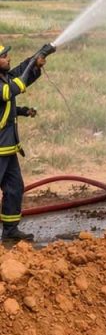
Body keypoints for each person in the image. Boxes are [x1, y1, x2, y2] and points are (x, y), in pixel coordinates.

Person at [0, 43, 46, 243]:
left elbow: (20, 72)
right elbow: (12, 90)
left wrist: (35, 62)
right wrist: (31, 66)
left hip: (7, 148)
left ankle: (10, 230)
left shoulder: (4, 76)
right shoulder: (3, 84)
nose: (8, 58)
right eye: (4, 56)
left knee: (15, 187)